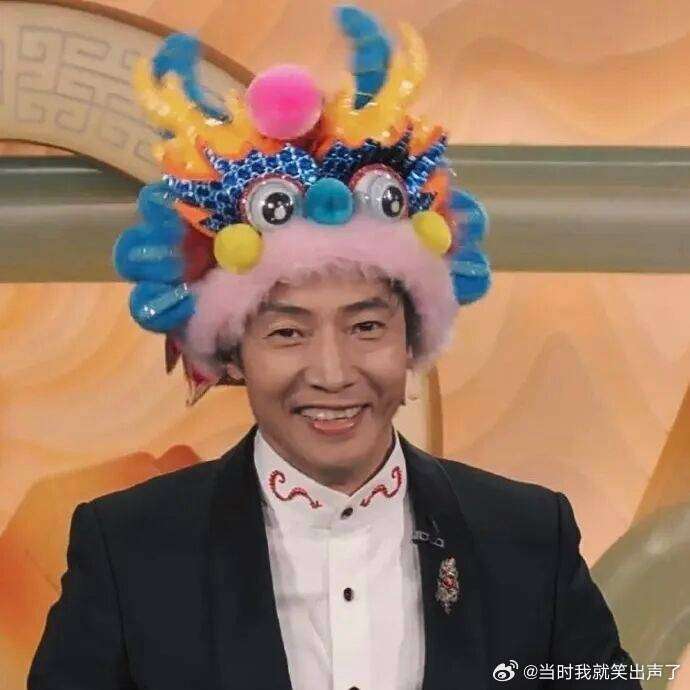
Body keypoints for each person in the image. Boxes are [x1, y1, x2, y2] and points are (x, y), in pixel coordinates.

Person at [28, 6, 641, 689]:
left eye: (366, 327)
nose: (331, 372)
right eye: (288, 331)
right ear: (233, 352)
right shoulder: (129, 549)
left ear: (413, 339)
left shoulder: (527, 537)